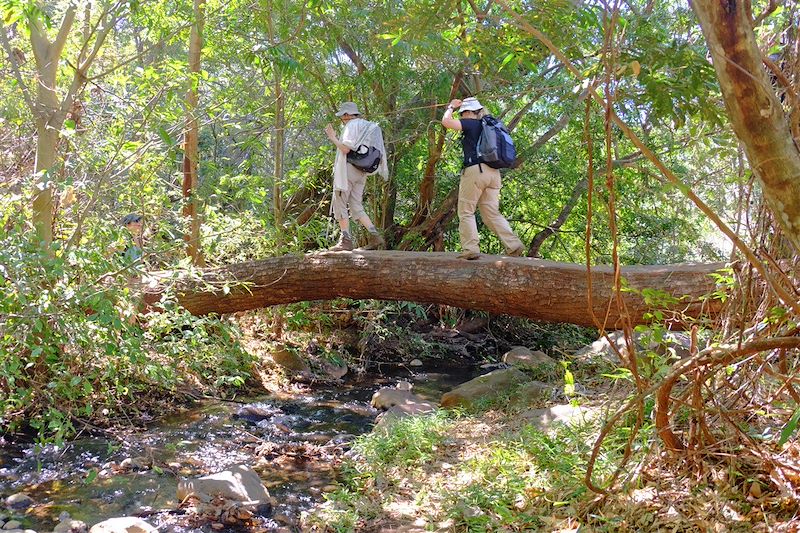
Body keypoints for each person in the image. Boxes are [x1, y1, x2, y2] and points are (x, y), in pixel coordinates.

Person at [441, 97, 525, 260]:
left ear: (468, 112)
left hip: (475, 171)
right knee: (491, 213)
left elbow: (446, 121)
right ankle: (514, 245)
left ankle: (471, 248)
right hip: (494, 174)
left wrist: (451, 106)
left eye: (462, 113)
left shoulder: (471, 123)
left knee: (466, 212)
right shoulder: (490, 126)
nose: (461, 116)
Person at [324, 101, 388, 251]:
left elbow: (346, 149)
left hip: (349, 170)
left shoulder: (351, 126)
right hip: (362, 171)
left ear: (347, 115)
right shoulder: (369, 126)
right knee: (355, 205)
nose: (342, 119)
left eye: (342, 116)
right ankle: (374, 235)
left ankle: (345, 239)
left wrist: (333, 137)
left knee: (339, 200)